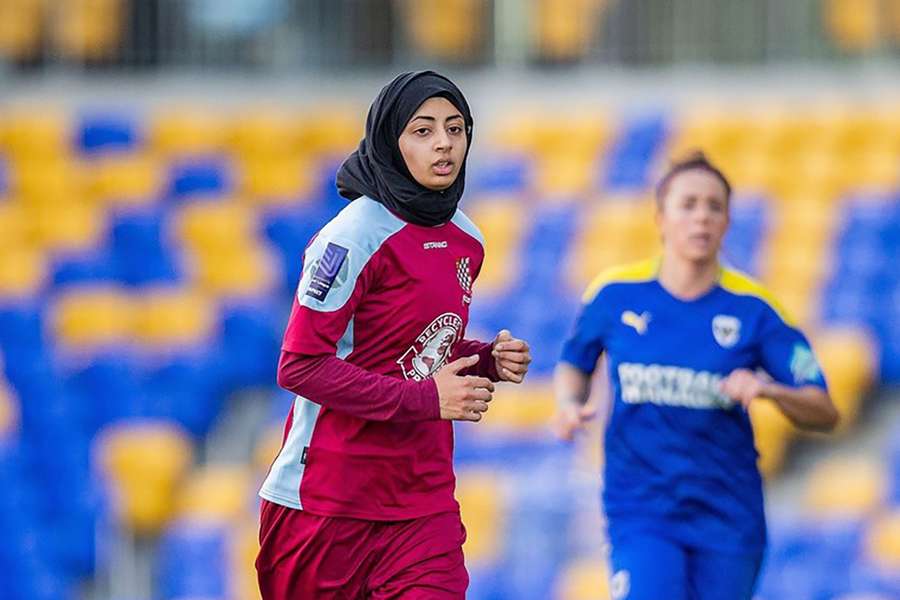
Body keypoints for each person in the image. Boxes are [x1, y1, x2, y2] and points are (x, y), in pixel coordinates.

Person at [255, 70, 532, 600]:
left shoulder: (467, 240)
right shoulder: (352, 236)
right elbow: (299, 365)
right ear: (390, 140)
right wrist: (425, 399)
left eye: (456, 128)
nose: (444, 143)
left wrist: (486, 359)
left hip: (422, 505)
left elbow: (414, 352)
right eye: (422, 130)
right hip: (326, 504)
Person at [553, 151, 838, 600]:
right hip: (641, 511)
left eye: (714, 206)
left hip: (728, 519)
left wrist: (769, 389)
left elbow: (824, 410)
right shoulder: (613, 298)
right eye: (688, 204)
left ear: (727, 222)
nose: (701, 217)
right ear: (661, 218)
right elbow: (575, 363)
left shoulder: (757, 311)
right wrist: (570, 403)